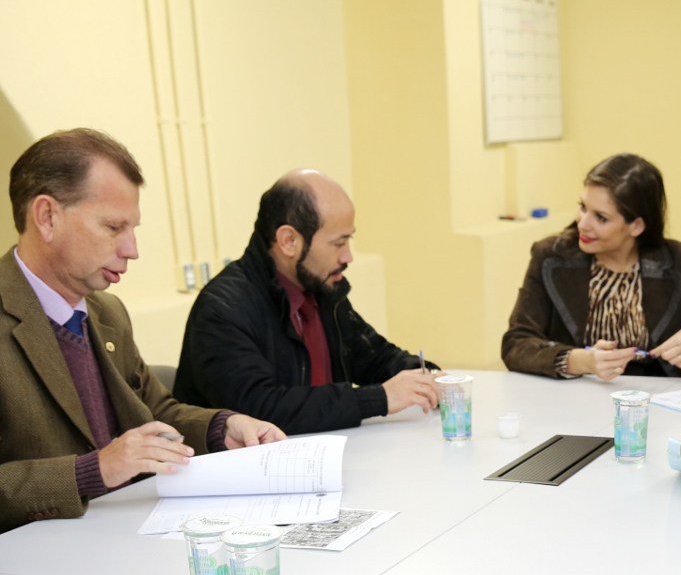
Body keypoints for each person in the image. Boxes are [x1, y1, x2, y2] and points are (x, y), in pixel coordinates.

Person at [0, 129, 285, 534]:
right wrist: (92, 471)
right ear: (47, 217)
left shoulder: (107, 311)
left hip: (129, 536)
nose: (131, 249)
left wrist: (223, 427)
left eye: (132, 228)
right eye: (113, 227)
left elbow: (157, 414)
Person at [174, 170, 440, 434]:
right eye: (338, 243)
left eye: (350, 240)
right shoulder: (223, 309)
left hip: (325, 454)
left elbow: (374, 357)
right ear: (289, 241)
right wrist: (377, 398)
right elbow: (260, 410)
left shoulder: (320, 288)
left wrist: (427, 378)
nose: (348, 256)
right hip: (247, 470)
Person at [502, 153, 681, 379]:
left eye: (601, 217)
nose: (583, 223)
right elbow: (516, 343)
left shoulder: (677, 262)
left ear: (636, 225)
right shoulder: (551, 257)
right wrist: (582, 361)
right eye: (583, 207)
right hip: (574, 402)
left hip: (658, 404)